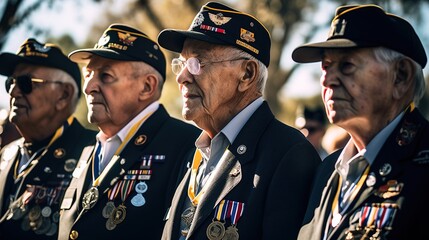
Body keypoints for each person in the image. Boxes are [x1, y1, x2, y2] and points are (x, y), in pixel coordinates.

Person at [157, 2, 321, 239]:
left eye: (197, 63)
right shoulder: (196, 151)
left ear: (247, 74)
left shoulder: (289, 154)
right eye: (181, 63)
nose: (182, 77)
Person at [292, 4, 429, 240]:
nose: (327, 80)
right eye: (325, 66)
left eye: (347, 65)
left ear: (400, 76)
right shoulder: (327, 169)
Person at [58, 24, 200, 240]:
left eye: (105, 76)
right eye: (88, 74)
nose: (88, 87)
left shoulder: (187, 145)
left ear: (146, 87)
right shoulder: (88, 150)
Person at [0, 38, 96, 240]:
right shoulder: (6, 154)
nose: (13, 92)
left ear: (63, 95)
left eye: (26, 83)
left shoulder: (93, 152)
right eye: (11, 82)